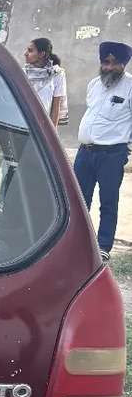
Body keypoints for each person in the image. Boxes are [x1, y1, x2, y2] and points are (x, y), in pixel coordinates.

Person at [73, 41, 132, 260]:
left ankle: (103, 247)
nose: (108, 67)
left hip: (111, 155)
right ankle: (77, 242)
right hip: (85, 153)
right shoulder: (94, 84)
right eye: (105, 62)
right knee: (78, 200)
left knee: (108, 202)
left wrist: (125, 149)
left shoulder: (130, 86)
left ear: (124, 64)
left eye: (114, 63)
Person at [23, 37, 67, 128]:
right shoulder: (23, 73)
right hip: (23, 123)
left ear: (41, 54)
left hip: (42, 126)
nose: (25, 53)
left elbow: (56, 106)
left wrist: (53, 131)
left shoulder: (57, 73)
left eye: (30, 51)